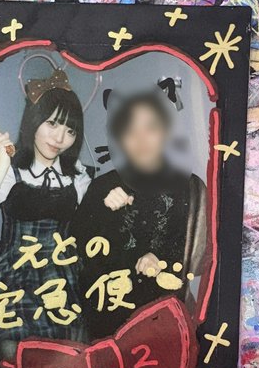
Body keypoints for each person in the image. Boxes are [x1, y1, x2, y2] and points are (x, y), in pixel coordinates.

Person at [0, 69, 91, 360]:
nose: (60, 138)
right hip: (11, 270)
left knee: (72, 352)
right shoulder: (11, 172)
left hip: (61, 273)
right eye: (52, 124)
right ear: (34, 120)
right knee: (12, 347)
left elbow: (92, 227)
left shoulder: (79, 178)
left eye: (70, 131)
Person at [72, 88, 208, 341]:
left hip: (166, 316)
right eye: (130, 131)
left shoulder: (190, 188)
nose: (141, 139)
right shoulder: (102, 186)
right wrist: (104, 210)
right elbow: (77, 247)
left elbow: (201, 257)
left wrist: (160, 258)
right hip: (108, 317)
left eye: (150, 128)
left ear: (165, 132)